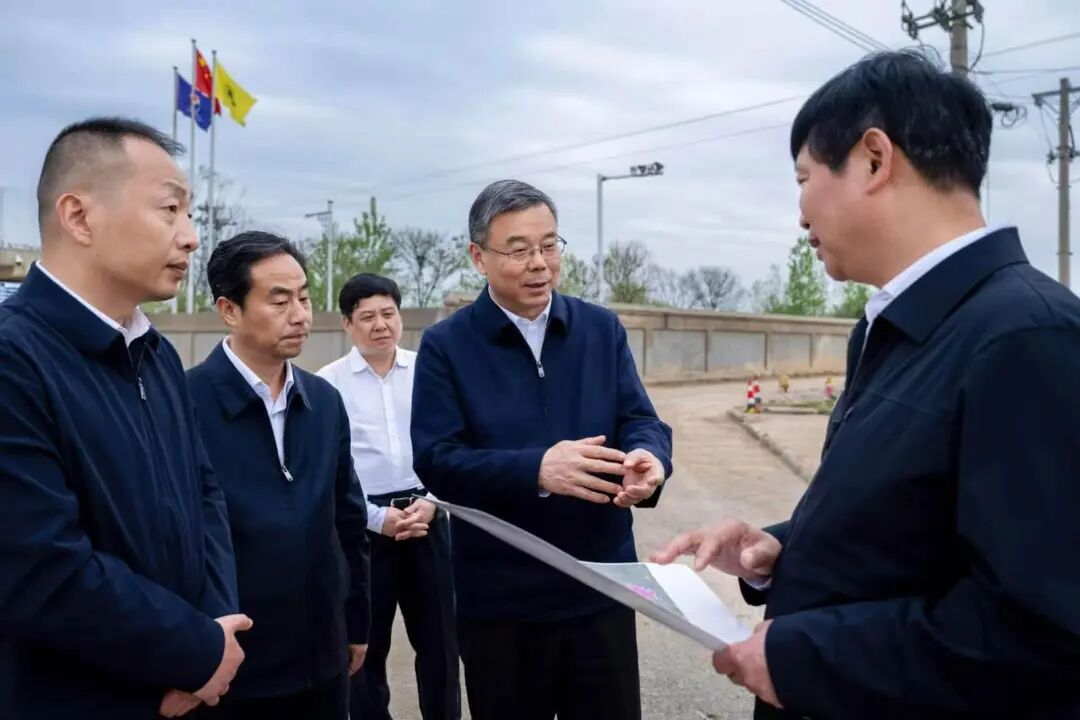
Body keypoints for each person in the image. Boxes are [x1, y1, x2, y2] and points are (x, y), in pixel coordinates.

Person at [653, 50, 1080, 719]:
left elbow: (1040, 633)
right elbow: (916, 528)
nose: (801, 215)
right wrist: (784, 548)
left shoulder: (1029, 338)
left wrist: (803, 660)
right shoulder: (896, 328)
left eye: (804, 179)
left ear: (874, 159)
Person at [0, 117, 249, 719]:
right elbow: (41, 568)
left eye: (190, 213)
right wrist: (190, 653)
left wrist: (214, 637)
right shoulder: (15, 359)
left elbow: (204, 495)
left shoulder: (156, 354)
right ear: (79, 216)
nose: (192, 237)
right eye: (170, 209)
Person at [411, 179, 673, 720]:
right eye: (518, 249)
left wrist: (650, 458)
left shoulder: (600, 329)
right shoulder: (446, 346)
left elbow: (639, 418)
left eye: (549, 245)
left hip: (602, 587)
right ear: (478, 257)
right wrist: (536, 469)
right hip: (502, 603)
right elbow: (436, 460)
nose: (539, 263)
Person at [186, 232, 372, 720]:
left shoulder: (324, 401)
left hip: (323, 661)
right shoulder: (184, 405)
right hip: (232, 668)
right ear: (229, 310)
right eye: (279, 300)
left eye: (304, 298)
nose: (300, 315)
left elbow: (348, 521)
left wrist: (356, 621)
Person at [318, 273, 461, 720]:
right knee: (365, 646)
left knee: (441, 644)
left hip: (428, 515)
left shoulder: (429, 370)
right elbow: (329, 469)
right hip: (364, 528)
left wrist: (433, 501)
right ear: (347, 324)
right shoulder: (328, 384)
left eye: (388, 313)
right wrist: (376, 518)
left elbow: (454, 442)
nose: (380, 325)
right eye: (367, 317)